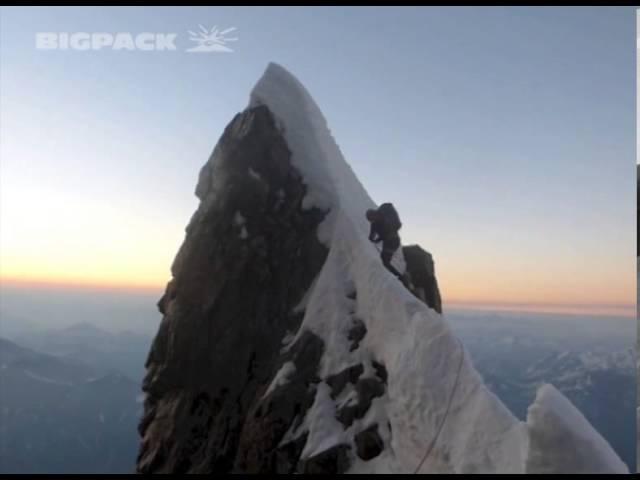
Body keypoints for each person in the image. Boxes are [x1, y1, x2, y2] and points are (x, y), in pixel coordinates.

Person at [366, 203, 405, 283]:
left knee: (385, 261)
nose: (372, 220)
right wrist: (376, 239)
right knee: (384, 261)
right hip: (392, 241)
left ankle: (399, 279)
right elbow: (373, 236)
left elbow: (374, 236)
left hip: (392, 241)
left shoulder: (380, 221)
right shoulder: (376, 222)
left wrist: (377, 239)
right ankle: (398, 278)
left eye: (371, 218)